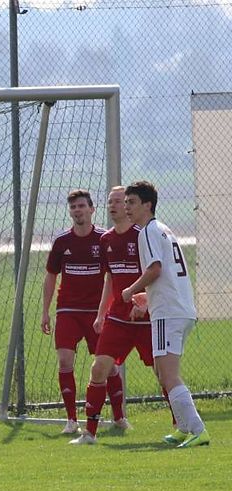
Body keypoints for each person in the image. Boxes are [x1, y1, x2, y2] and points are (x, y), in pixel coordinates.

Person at [121, 180, 209, 448]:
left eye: (132, 202)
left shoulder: (147, 231)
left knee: (169, 375)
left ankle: (198, 430)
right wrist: (148, 297)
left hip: (168, 314)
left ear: (147, 205)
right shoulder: (163, 229)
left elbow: (155, 269)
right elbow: (168, 274)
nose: (126, 207)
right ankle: (183, 427)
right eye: (125, 202)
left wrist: (131, 289)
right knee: (162, 371)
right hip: (178, 309)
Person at [71, 188, 155, 444]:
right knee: (98, 369)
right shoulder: (106, 239)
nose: (114, 205)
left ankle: (181, 426)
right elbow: (110, 278)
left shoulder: (143, 236)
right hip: (117, 317)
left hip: (146, 317)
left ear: (130, 205)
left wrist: (145, 302)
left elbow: (156, 273)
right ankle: (89, 433)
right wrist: (101, 314)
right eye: (110, 201)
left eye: (120, 201)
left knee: (164, 373)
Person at [41, 189, 106, 434]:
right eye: (73, 207)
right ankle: (71, 420)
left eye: (81, 206)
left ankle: (120, 417)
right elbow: (50, 276)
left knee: (106, 364)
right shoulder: (62, 242)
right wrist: (45, 311)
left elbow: (113, 276)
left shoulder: (103, 239)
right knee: (65, 361)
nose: (77, 210)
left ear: (92, 209)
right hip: (68, 310)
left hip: (96, 311)